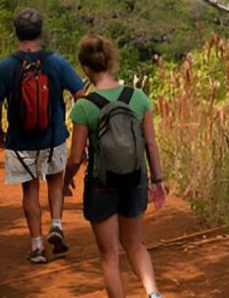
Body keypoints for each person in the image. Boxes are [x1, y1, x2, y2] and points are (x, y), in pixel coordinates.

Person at [63, 34, 167, 298]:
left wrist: (66, 180)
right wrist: (157, 180)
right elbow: (151, 144)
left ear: (85, 68)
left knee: (109, 254)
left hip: (102, 184)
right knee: (135, 244)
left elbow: (76, 157)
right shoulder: (139, 97)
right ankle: (153, 293)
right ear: (111, 62)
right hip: (135, 179)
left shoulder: (85, 107)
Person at [0, 8, 85, 264]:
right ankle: (56, 224)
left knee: (29, 191)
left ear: (15, 32)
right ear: (41, 32)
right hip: (53, 138)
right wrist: (79, 130)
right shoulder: (57, 63)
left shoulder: (6, 66)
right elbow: (80, 94)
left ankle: (37, 246)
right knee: (55, 181)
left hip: (20, 141)